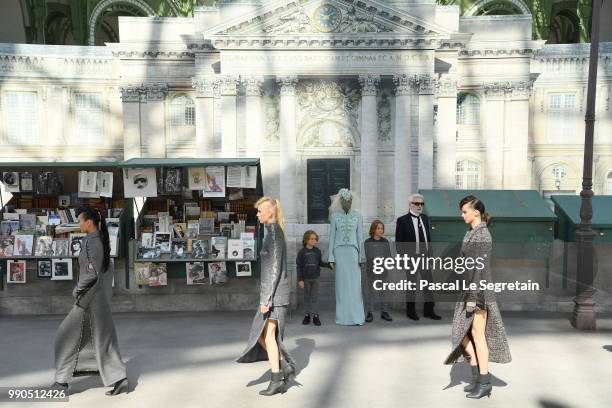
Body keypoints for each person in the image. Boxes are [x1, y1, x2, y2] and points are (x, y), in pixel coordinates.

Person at [52, 207, 128, 396]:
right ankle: (118, 379)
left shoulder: (92, 242)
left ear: (89, 222)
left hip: (88, 298)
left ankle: (61, 383)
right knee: (100, 338)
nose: (78, 224)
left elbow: (92, 273)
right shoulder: (98, 240)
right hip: (96, 298)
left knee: (65, 336)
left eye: (79, 220)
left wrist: (77, 289)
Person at [444, 196, 511, 399]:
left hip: (478, 291)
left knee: (478, 336)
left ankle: (484, 382)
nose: (462, 214)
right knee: (464, 334)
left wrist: (473, 297)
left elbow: (479, 269)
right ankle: (477, 377)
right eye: (462, 211)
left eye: (465, 211)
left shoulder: (482, 235)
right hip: (470, 289)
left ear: (476, 212)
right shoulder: (472, 233)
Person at [236, 197, 296, 396]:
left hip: (275, 295)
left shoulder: (274, 234)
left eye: (260, 211)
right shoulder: (270, 233)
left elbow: (274, 270)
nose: (257, 214)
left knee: (268, 336)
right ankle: (284, 366)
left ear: (270, 212)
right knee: (259, 334)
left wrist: (266, 300)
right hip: (273, 294)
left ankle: (277, 378)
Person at [395, 193, 441, 320]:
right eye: (417, 203)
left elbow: (428, 239)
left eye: (422, 204)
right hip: (411, 258)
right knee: (411, 285)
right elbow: (399, 243)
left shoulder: (425, 218)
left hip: (425, 257)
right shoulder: (402, 220)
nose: (420, 206)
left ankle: (429, 311)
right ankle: (410, 312)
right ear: (410, 205)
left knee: (428, 284)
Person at [328, 188, 365, 326]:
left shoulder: (358, 216)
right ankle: (342, 317)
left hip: (353, 252)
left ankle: (356, 316)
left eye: (349, 201)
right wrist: (330, 255)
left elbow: (360, 237)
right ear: (340, 201)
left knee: (355, 286)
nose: (347, 203)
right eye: (344, 201)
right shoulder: (335, 216)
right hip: (339, 252)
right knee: (341, 286)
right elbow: (332, 236)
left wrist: (362, 256)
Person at [297, 230, 328, 326]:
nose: (314, 240)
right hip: (306, 279)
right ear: (306, 240)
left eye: (315, 239)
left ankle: (315, 316)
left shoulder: (317, 251)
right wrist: (300, 280)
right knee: (307, 297)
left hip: (315, 279)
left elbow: (320, 263)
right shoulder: (302, 252)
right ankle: (307, 315)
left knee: (315, 297)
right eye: (312, 239)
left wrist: (329, 265)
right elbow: (299, 266)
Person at [363, 220, 392, 322]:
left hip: (383, 271)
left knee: (383, 292)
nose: (380, 230)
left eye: (382, 228)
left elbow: (388, 256)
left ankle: (384, 312)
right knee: (370, 293)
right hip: (371, 271)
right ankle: (369, 313)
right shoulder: (367, 242)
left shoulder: (385, 242)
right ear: (373, 229)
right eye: (378, 228)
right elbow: (367, 257)